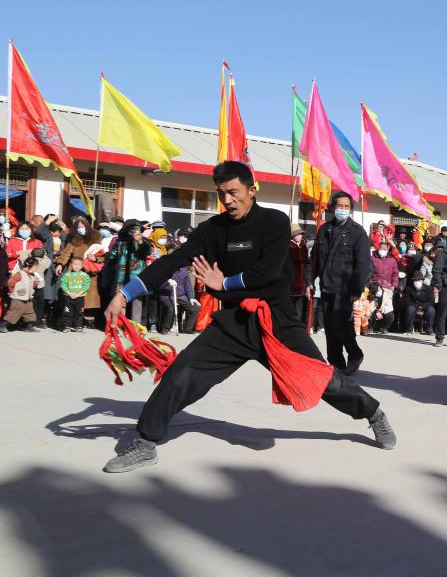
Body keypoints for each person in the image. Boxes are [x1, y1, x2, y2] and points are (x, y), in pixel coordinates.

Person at [101, 162, 395, 473]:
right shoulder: (212, 230)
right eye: (221, 194)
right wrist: (124, 295)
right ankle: (145, 443)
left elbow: (268, 271)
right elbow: (170, 262)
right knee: (181, 374)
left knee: (323, 380)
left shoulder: (274, 221)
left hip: (278, 320)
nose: (227, 200)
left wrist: (223, 283)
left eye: (233, 192)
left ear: (251, 190)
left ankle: (373, 414)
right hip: (234, 323)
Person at [312, 191, 372, 375]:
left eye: (346, 206)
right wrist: (309, 280)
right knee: (330, 327)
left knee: (341, 325)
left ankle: (355, 354)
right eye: (340, 206)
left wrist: (356, 289)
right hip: (326, 285)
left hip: (345, 288)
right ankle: (336, 363)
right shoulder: (324, 230)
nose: (343, 209)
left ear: (351, 209)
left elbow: (363, 264)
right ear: (332, 207)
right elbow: (315, 259)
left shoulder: (357, 232)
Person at [2, 256, 42, 332]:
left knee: (30, 313)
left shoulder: (31, 275)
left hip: (27, 298)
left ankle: (28, 326)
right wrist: (11, 291)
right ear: (29, 266)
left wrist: (36, 283)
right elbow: (10, 282)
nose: (35, 270)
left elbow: (31, 286)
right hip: (18, 298)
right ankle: (3, 325)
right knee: (14, 312)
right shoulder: (19, 274)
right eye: (35, 267)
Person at [59, 256, 91, 332]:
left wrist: (78, 294)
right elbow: (63, 284)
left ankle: (78, 326)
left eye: (79, 265)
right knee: (67, 312)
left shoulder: (84, 275)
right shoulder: (67, 275)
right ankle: (67, 326)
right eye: (75, 264)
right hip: (68, 297)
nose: (77, 266)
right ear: (71, 264)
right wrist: (69, 293)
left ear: (82, 266)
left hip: (80, 297)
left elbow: (86, 285)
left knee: (79, 312)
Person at [288, 224, 311, 325]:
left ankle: (298, 325)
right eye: (299, 234)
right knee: (290, 304)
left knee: (300, 305)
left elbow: (307, 263)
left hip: (302, 280)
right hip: (291, 280)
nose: (301, 236)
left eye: (301, 234)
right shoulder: (288, 246)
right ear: (293, 235)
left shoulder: (303, 246)